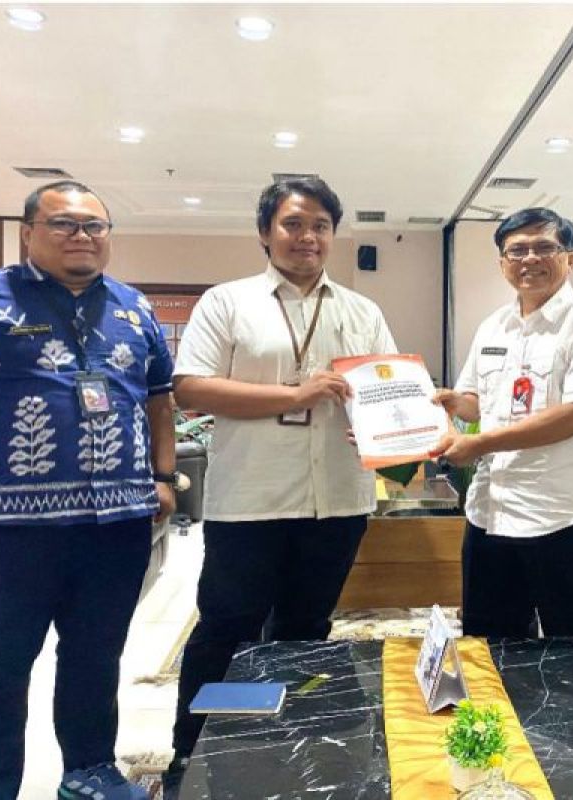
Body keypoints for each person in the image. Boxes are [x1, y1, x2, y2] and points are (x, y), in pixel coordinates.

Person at [0, 180, 176, 800]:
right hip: (11, 530)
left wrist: (163, 478)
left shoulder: (134, 307)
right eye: (64, 224)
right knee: (0, 668)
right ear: (28, 232)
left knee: (95, 658)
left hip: (116, 523)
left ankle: (89, 773)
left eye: (94, 226)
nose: (81, 236)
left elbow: (159, 401)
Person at [164, 176, 396, 797]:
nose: (307, 236)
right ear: (265, 233)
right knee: (227, 627)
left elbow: (387, 387)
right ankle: (197, 751)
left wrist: (388, 426)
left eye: (320, 225)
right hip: (250, 500)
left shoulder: (362, 311)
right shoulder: (227, 302)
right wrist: (294, 395)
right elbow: (191, 387)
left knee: (307, 627)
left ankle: (289, 747)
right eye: (293, 224)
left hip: (338, 500)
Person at [431, 207, 573, 638]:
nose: (530, 259)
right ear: (502, 262)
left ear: (570, 258)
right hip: (491, 512)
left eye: (544, 247)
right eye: (517, 250)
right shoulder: (494, 327)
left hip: (565, 517)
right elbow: (477, 403)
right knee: (489, 645)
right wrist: (453, 403)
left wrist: (480, 444)